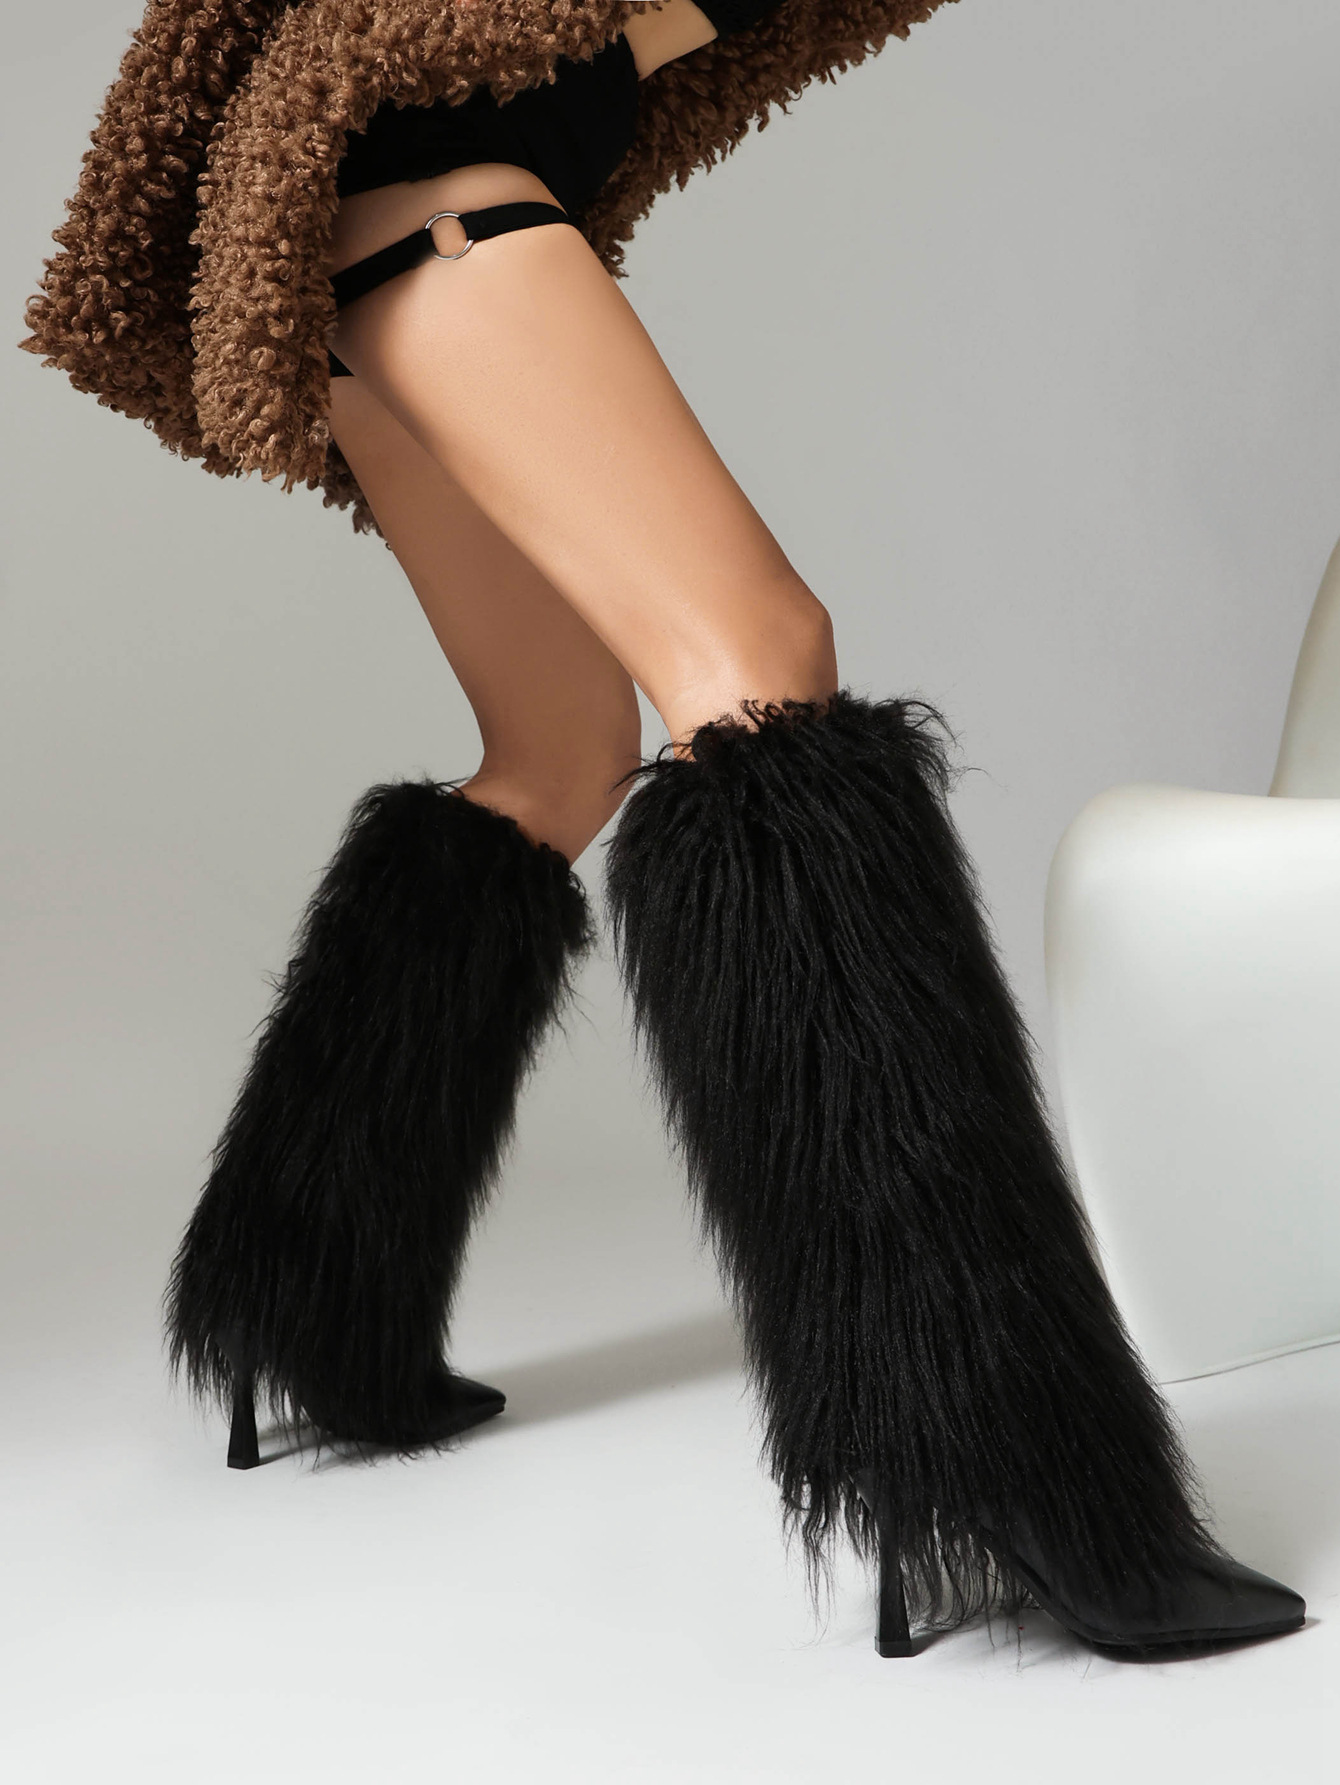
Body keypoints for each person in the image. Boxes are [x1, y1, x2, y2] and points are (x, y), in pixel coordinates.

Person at [23, 0, 1305, 1657]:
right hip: (440, 200)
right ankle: (1001, 1463)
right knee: (763, 672)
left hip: (367, 226)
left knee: (559, 754)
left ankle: (312, 1296)